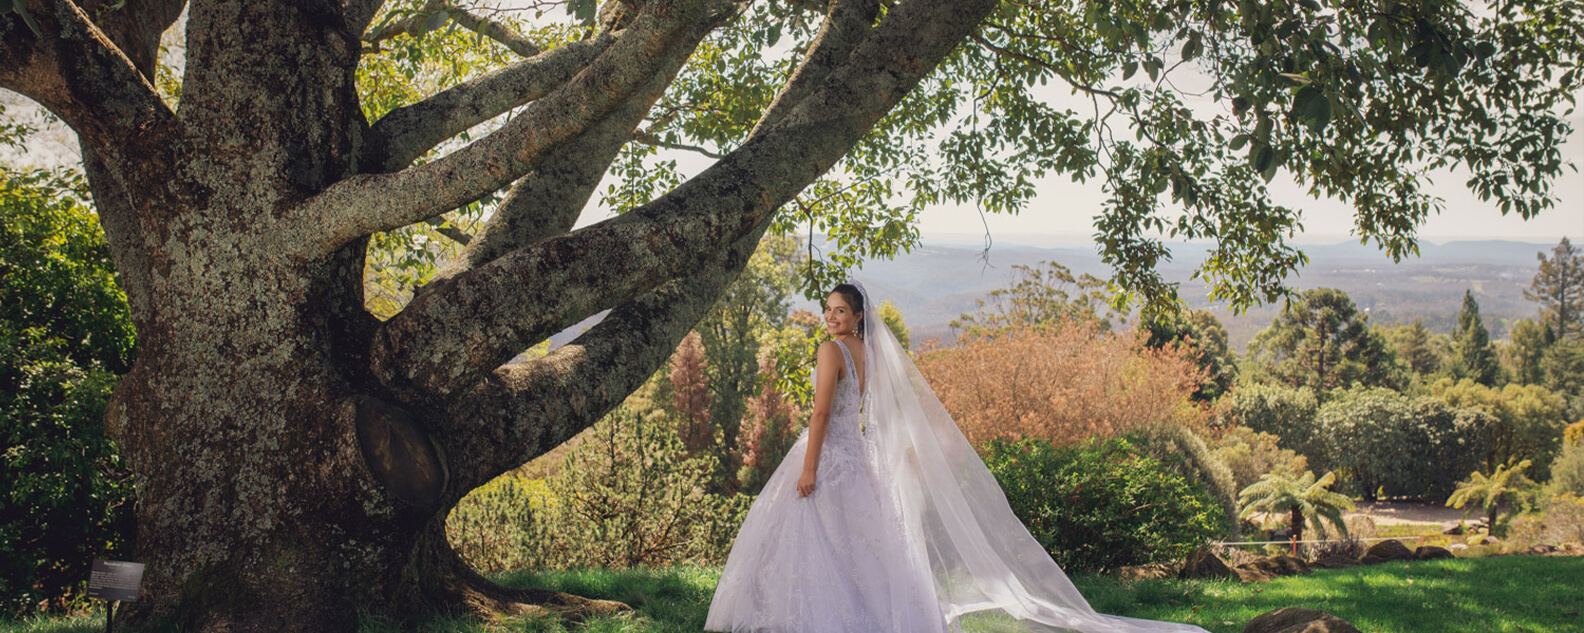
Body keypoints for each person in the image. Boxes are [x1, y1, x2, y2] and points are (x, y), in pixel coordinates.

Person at [706, 281, 1210, 633]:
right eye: (827, 310)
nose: (831, 317)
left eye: (840, 311)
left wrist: (809, 468)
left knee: (817, 539)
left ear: (858, 315)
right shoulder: (869, 352)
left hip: (831, 454)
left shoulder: (829, 351)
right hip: (856, 456)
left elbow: (820, 414)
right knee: (857, 545)